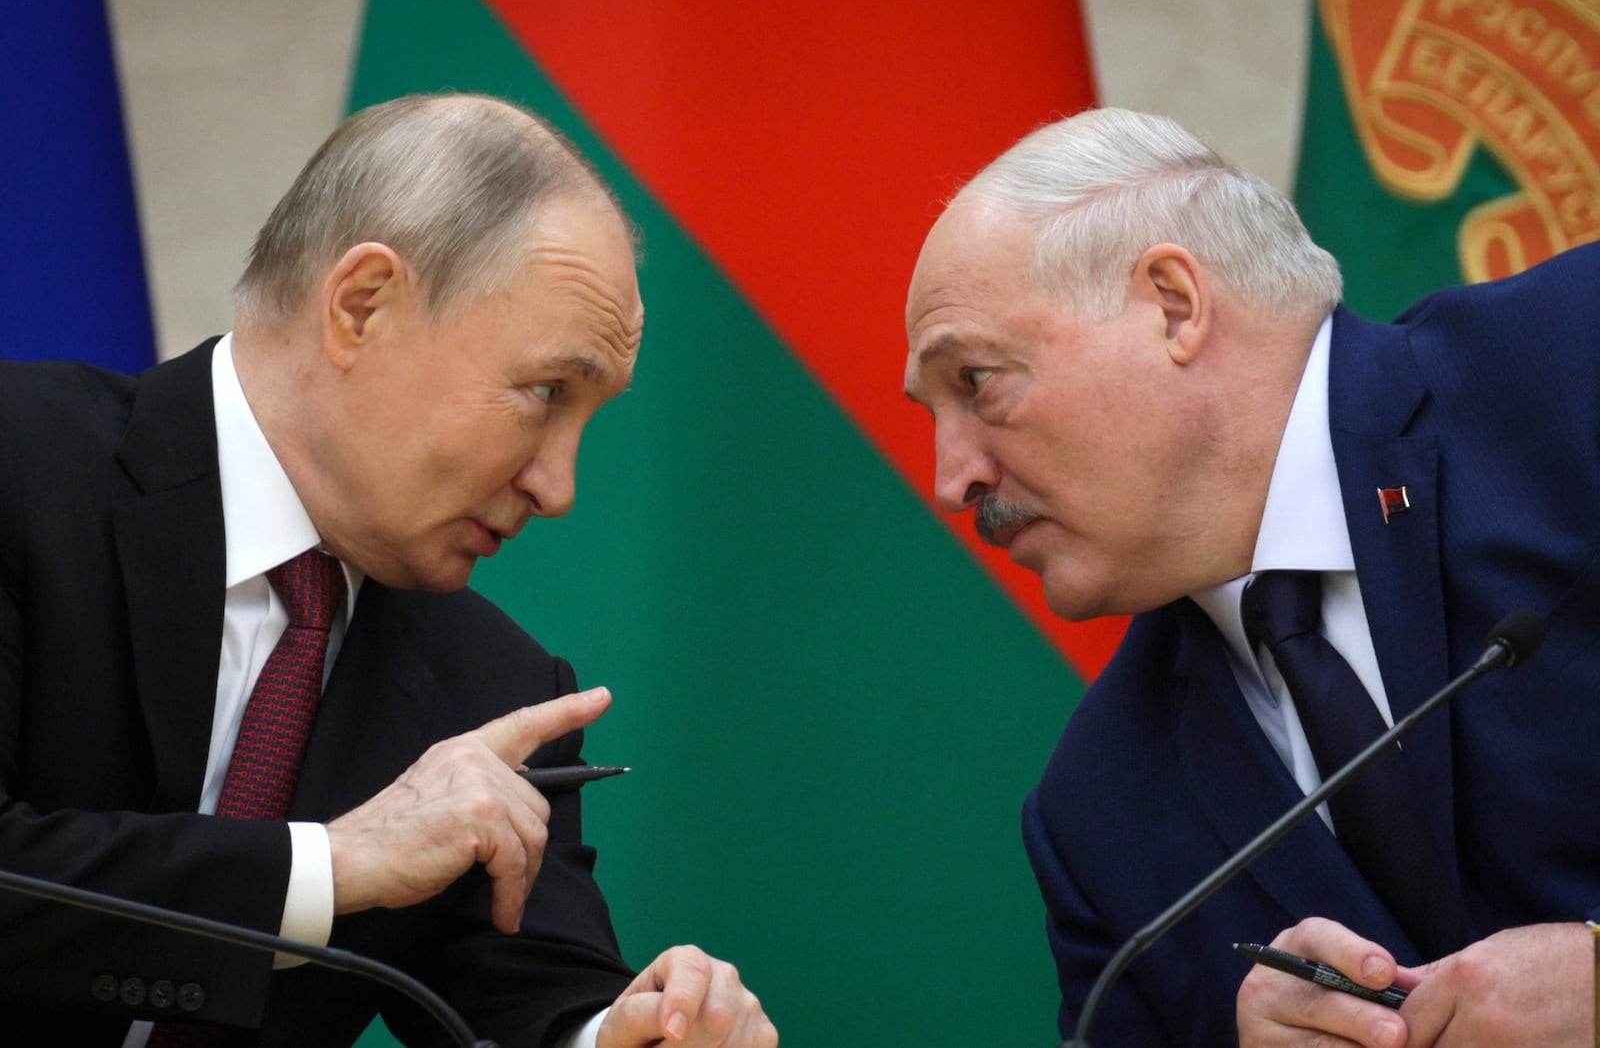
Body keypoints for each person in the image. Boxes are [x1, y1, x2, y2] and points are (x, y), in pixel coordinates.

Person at [0, 93, 777, 1048]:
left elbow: (540, 1004)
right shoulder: (16, 468)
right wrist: (331, 868)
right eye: (544, 392)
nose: (560, 485)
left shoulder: (497, 693)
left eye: (590, 417)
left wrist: (637, 1033)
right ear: (362, 306)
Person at [902, 106, 1600, 1047]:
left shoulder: (1571, 372)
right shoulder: (1098, 815)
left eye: (977, 381)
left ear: (1175, 306)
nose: (953, 482)